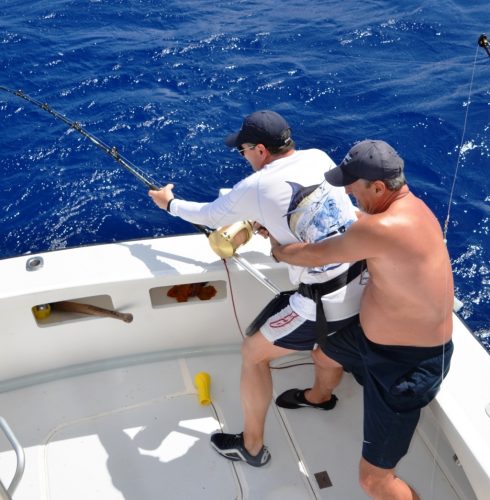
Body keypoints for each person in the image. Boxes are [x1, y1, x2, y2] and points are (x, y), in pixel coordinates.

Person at [148, 110, 365, 467]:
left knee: (253, 353)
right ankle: (320, 397)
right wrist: (276, 229)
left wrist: (168, 203)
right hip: (363, 282)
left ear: (261, 150)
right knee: (327, 349)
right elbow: (317, 216)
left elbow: (209, 215)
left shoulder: (257, 185)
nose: (244, 157)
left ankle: (250, 447)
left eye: (244, 151)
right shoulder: (318, 157)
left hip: (325, 303)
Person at [270, 139, 454, 499]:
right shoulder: (408, 208)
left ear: (379, 187)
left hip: (405, 367)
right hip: (372, 341)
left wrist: (279, 248)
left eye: (353, 186)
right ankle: (320, 397)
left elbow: (311, 254)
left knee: (373, 481)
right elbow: (362, 223)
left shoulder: (380, 228)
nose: (350, 192)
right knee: (324, 352)